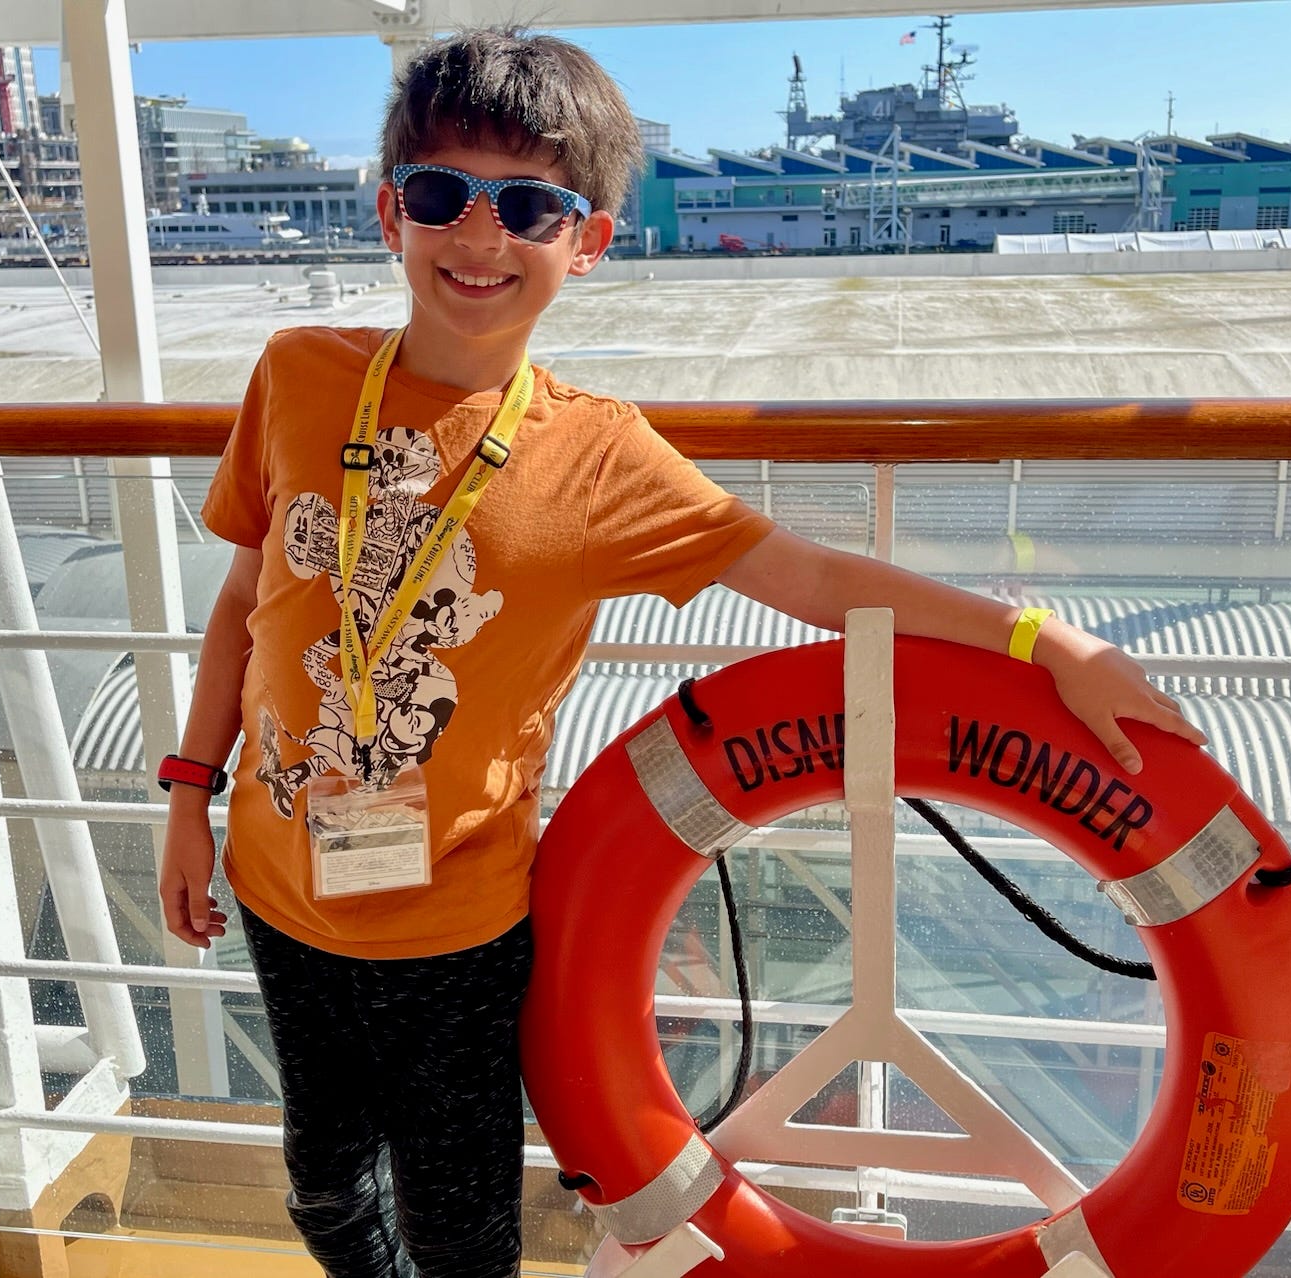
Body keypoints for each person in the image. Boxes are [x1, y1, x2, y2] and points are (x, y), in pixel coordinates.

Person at [158, 25, 1204, 1278]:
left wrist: (1044, 638)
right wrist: (184, 792)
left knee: (462, 1237)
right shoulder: (295, 376)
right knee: (323, 1193)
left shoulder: (597, 458)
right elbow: (242, 605)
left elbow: (809, 579)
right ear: (392, 212)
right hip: (279, 881)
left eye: (530, 205)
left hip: (455, 926)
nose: (479, 236)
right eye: (443, 195)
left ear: (586, 243)